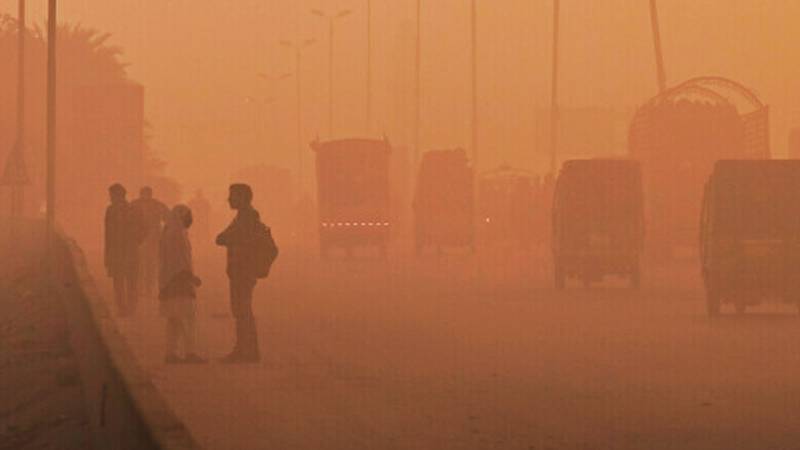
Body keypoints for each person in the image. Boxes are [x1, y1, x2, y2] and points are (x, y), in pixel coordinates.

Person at [216, 184, 262, 363]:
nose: (229, 199)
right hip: (240, 270)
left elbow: (227, 238)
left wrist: (228, 239)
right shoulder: (244, 216)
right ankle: (245, 349)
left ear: (242, 197)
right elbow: (223, 238)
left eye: (232, 196)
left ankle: (247, 351)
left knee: (243, 311)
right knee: (242, 311)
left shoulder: (248, 217)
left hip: (244, 270)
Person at [159, 204, 205, 364]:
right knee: (187, 318)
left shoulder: (169, 232)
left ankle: (170, 353)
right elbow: (180, 262)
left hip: (168, 281)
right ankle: (190, 353)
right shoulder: (177, 235)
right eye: (188, 216)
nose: (190, 220)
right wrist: (191, 277)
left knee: (174, 319)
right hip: (179, 281)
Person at [104, 184, 144, 317]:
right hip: (116, 252)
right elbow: (108, 235)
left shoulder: (134, 210)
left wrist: (137, 240)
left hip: (130, 252)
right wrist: (107, 255)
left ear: (118, 195)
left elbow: (145, 227)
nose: (110, 198)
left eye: (112, 195)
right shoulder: (110, 211)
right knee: (119, 283)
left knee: (131, 282)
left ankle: (131, 309)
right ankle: (122, 309)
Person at [131, 187, 170, 297]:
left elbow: (168, 218)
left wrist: (164, 233)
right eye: (144, 193)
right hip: (138, 240)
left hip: (153, 240)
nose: (145, 196)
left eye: (147, 193)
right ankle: (141, 288)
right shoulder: (134, 205)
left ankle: (148, 289)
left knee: (151, 265)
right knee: (139, 265)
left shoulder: (156, 205)